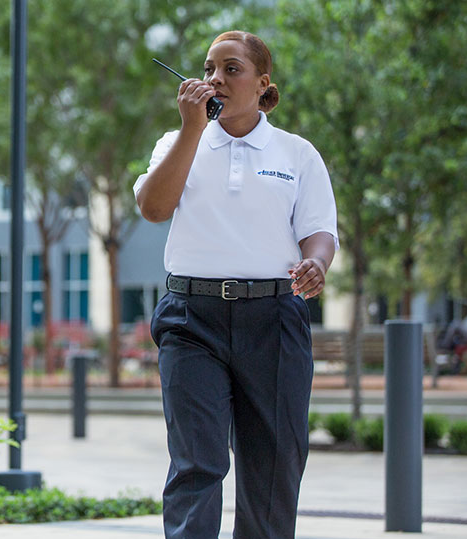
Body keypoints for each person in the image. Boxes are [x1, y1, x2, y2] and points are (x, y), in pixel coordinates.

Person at [134, 30, 338, 538]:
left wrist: (316, 263)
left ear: (262, 83)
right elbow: (154, 208)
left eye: (231, 69)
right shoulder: (177, 142)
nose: (215, 79)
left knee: (274, 466)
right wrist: (191, 129)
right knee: (195, 463)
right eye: (208, 69)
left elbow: (318, 231)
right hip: (191, 320)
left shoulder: (296, 153)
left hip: (274, 320)